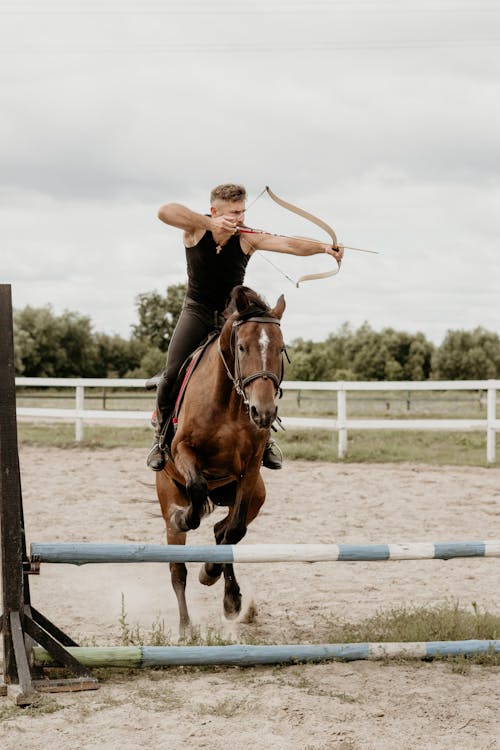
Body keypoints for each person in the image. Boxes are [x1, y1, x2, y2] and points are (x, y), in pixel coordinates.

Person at [147, 183, 344, 471]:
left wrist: (323, 247)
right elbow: (165, 211)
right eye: (232, 213)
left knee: (255, 371)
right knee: (172, 372)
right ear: (215, 211)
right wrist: (209, 223)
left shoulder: (247, 239)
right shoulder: (195, 230)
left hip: (233, 316)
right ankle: (161, 438)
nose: (239, 218)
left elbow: (289, 244)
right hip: (197, 312)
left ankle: (265, 440)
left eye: (241, 212)